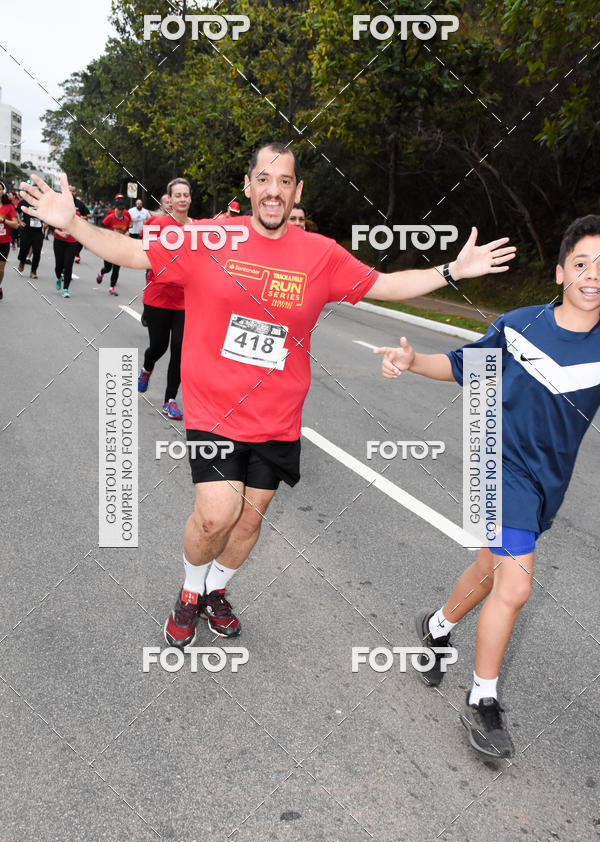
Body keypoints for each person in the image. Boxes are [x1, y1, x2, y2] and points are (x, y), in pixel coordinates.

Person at [19, 142, 514, 646]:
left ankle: (215, 589)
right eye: (264, 179)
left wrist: (453, 271)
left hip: (278, 416)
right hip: (214, 409)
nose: (273, 191)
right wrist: (74, 223)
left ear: (297, 190)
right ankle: (189, 592)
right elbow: (133, 252)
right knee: (216, 515)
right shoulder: (211, 238)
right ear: (249, 185)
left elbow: (384, 285)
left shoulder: (320, 254)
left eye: (284, 181)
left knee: (248, 522)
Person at [375, 214, 600, 760]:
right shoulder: (521, 325)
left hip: (547, 483)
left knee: (490, 570)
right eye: (582, 263)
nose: (593, 275)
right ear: (560, 272)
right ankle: (482, 699)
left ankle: (436, 627)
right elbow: (462, 367)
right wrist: (412, 360)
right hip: (497, 467)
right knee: (516, 586)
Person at [138, 178, 192, 420]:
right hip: (158, 296)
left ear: (190, 198)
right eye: (177, 195)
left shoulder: (198, 229)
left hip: (185, 300)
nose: (182, 199)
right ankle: (147, 367)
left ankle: (170, 400)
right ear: (170, 199)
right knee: (159, 347)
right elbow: (143, 253)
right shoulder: (157, 224)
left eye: (186, 195)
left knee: (179, 348)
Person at [96, 196, 131, 295]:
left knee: (116, 268)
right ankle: (101, 272)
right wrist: (111, 233)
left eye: (122, 209)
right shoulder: (110, 218)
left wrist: (127, 233)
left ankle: (112, 287)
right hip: (109, 246)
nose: (121, 211)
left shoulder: (126, 219)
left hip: (119, 247)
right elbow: (101, 229)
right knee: (108, 268)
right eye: (119, 209)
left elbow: (127, 230)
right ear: (115, 208)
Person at [53, 202, 83, 297]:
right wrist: (60, 233)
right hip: (59, 241)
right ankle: (58, 277)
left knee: (68, 266)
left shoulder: (77, 214)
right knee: (59, 266)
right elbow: (51, 226)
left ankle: (66, 289)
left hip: (72, 243)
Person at [17, 196, 44, 278]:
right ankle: (22, 262)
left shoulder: (42, 202)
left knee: (37, 252)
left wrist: (46, 223)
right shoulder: (24, 201)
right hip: (26, 231)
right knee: (23, 249)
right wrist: (20, 221)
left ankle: (33, 271)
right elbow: (17, 212)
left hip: (38, 232)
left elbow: (47, 213)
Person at [0, 190, 19, 299]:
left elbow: (16, 225)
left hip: (4, 242)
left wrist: (3, 220)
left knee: (1, 269)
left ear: (2, 191)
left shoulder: (8, 207)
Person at [69, 186, 90, 264]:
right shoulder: (62, 201)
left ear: (75, 192)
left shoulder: (79, 203)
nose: (71, 193)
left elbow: (88, 215)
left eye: (73, 191)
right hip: (66, 227)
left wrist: (82, 217)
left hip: (78, 227)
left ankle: (77, 254)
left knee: (80, 242)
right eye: (69, 191)